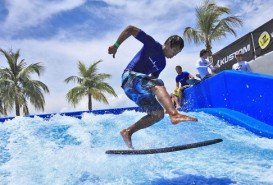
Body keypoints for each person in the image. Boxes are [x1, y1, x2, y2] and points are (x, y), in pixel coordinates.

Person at [108, 25, 198, 149]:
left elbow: (152, 83)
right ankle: (174, 115)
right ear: (168, 44)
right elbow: (130, 29)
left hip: (136, 89)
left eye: (177, 54)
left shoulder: (162, 64)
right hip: (129, 78)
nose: (174, 55)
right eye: (174, 51)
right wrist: (115, 46)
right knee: (158, 83)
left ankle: (128, 132)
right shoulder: (152, 44)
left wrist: (165, 101)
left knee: (158, 114)